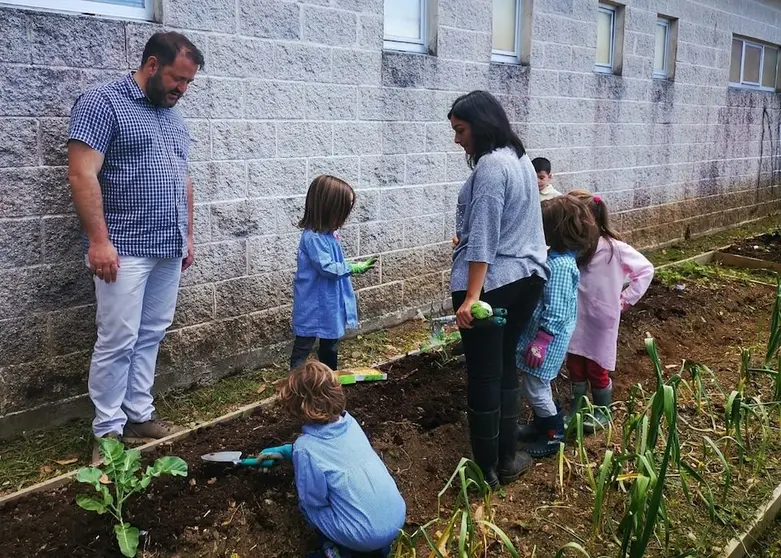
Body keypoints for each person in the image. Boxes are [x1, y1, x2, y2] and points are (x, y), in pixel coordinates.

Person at [67, 32, 204, 463]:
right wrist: (99, 240)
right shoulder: (103, 103)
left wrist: (189, 235)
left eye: (188, 83)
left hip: (168, 246)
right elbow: (82, 174)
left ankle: (139, 415)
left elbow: (183, 180)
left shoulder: (172, 117)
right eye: (177, 79)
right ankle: (107, 433)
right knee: (117, 339)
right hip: (123, 249)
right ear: (151, 65)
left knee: (150, 334)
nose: (182, 90)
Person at [448, 90, 549, 487]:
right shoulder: (520, 159)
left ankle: (484, 472)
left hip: (493, 283)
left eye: (461, 130)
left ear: (480, 125)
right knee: (505, 366)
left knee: (484, 375)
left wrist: (472, 296)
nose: (458, 140)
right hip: (527, 279)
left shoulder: (490, 166)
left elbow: (488, 233)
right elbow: (507, 221)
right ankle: (507, 459)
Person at [258, 361, 406, 558]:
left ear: (298, 408)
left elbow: (314, 500)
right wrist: (287, 452)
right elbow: (334, 452)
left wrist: (298, 459)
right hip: (396, 518)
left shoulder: (305, 449)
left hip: (364, 535)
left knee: (307, 507)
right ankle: (378, 550)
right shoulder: (350, 422)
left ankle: (336, 551)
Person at [516, 196, 598, 458]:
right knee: (536, 384)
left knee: (536, 386)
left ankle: (553, 435)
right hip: (542, 337)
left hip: (547, 341)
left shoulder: (561, 266)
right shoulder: (557, 257)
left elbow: (559, 309)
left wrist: (541, 342)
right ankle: (543, 425)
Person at [566, 190, 655, 431]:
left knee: (596, 365)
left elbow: (646, 270)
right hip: (575, 316)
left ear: (587, 220)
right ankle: (578, 407)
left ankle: (603, 412)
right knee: (574, 362)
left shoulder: (614, 249)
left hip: (600, 318)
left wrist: (625, 300)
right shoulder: (574, 248)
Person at [290, 175, 376, 372]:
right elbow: (327, 268)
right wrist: (353, 268)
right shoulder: (313, 238)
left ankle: (328, 381)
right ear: (328, 209)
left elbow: (332, 263)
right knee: (303, 346)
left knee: (330, 344)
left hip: (327, 303)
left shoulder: (328, 235)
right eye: (342, 213)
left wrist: (349, 264)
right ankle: (295, 384)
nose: (344, 219)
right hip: (313, 304)